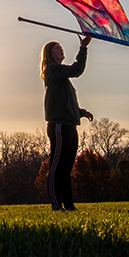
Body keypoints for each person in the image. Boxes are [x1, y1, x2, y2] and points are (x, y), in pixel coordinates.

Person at [42, 37, 93, 210]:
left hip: (70, 125)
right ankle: (56, 205)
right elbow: (77, 69)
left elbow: (66, 102)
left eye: (61, 47)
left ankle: (70, 206)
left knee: (66, 168)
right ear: (49, 54)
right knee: (56, 167)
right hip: (59, 126)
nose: (61, 50)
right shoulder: (52, 70)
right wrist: (83, 48)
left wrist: (81, 112)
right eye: (57, 48)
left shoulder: (62, 77)